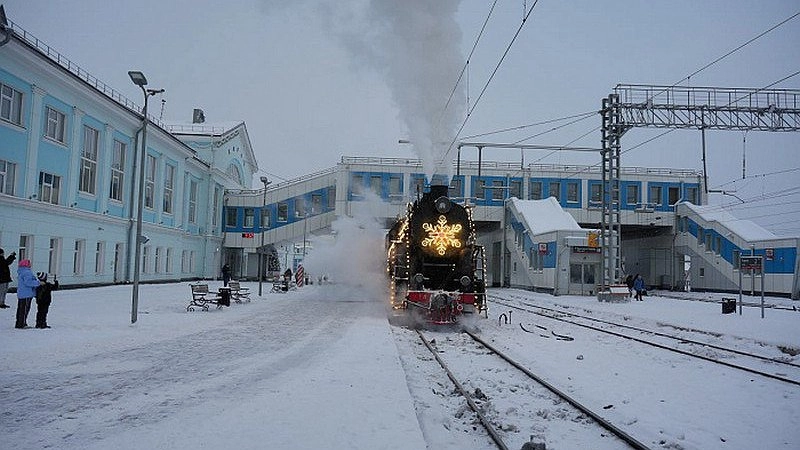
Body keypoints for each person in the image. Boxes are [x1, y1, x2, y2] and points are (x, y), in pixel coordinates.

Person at [15, 259, 39, 329]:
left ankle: (19, 323)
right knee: (25, 309)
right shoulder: (27, 272)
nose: (30, 265)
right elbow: (28, 282)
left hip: (22, 293)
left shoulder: (21, 272)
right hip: (27, 293)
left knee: (20, 309)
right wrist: (38, 283)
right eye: (29, 263)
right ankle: (22, 324)